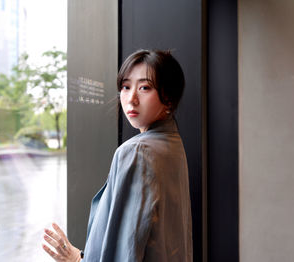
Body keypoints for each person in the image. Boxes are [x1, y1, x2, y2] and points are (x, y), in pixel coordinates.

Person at [42, 49, 193, 262]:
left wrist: (77, 259)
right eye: (125, 86)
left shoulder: (137, 152)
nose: (131, 99)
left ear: (168, 97)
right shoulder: (172, 144)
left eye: (144, 87)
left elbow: (125, 250)